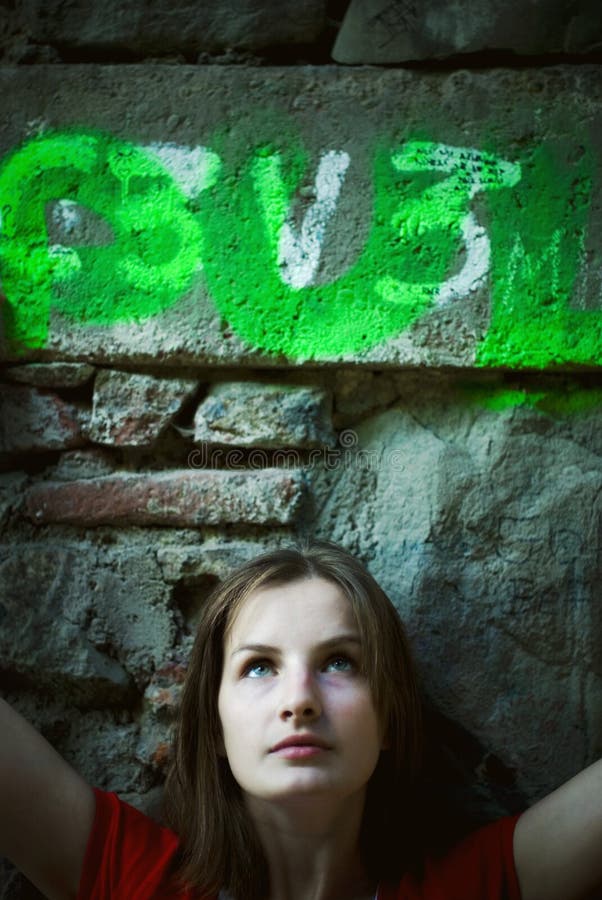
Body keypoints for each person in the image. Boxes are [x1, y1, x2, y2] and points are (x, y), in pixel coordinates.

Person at [1, 538, 601, 900]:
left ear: (391, 718)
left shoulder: (471, 888)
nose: (300, 699)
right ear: (212, 725)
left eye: (339, 662)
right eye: (259, 667)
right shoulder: (133, 880)